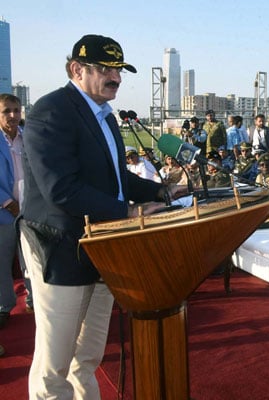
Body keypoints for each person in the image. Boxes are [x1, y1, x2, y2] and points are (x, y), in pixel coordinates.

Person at [19, 34, 180, 399]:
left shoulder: (106, 118)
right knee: (55, 364)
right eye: (106, 69)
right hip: (61, 249)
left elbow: (114, 179)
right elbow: (61, 189)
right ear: (77, 69)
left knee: (88, 356)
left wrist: (159, 191)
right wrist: (129, 211)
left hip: (105, 248)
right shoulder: (52, 111)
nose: (117, 78)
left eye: (119, 70)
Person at [1, 93, 33, 326]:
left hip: (30, 210)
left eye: (16, 110)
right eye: (6, 111)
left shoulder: (28, 137)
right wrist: (7, 203)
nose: (12, 115)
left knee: (32, 259)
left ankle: (35, 298)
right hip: (4, 212)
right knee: (2, 262)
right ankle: (4, 306)